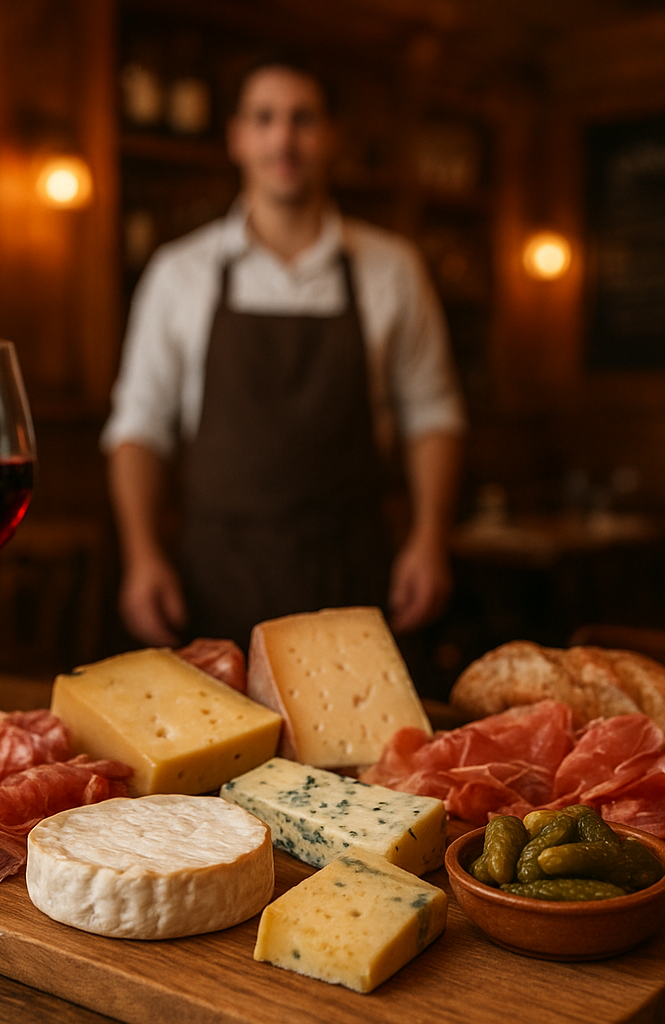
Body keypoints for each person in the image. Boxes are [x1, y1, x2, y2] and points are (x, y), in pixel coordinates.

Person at [102, 54, 466, 651]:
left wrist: (429, 540)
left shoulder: (393, 269)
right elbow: (139, 427)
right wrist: (142, 557)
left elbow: (433, 414)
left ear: (333, 137)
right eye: (265, 118)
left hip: (353, 569)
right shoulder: (179, 272)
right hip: (217, 573)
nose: (283, 138)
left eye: (303, 119)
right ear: (237, 138)